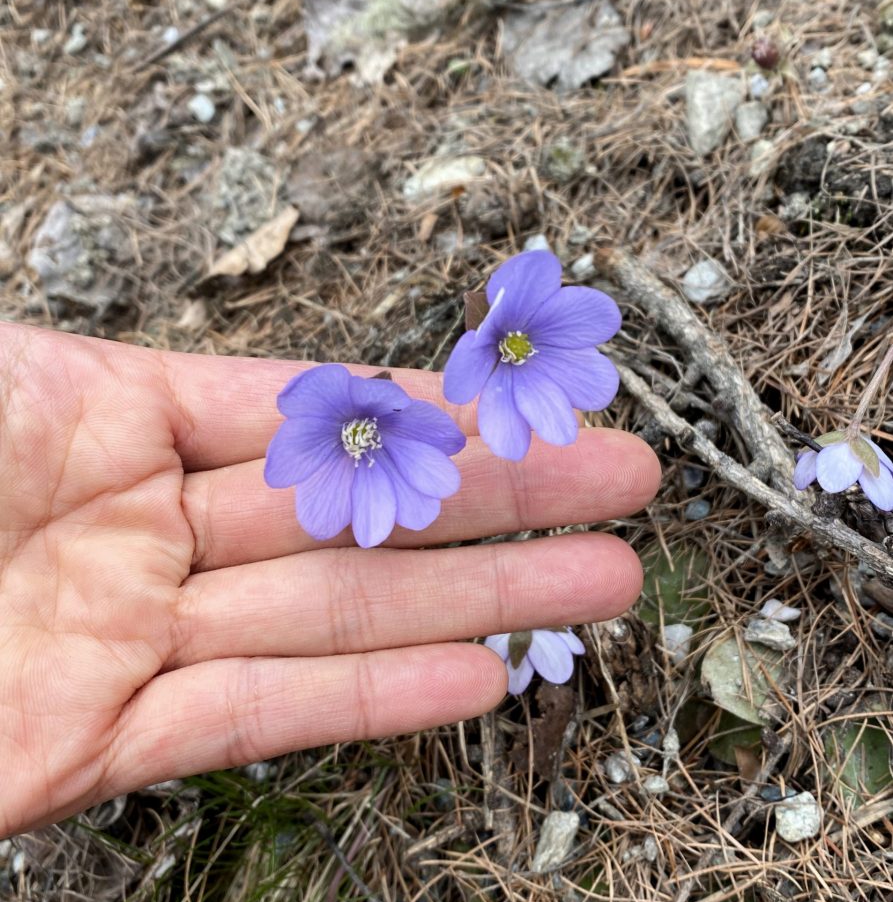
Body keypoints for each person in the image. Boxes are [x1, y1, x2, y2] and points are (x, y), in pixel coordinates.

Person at [0, 322, 660, 836]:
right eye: (510, 342)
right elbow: (304, 458)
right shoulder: (324, 431)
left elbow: (423, 442)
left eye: (516, 343)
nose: (361, 439)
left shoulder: (413, 410)